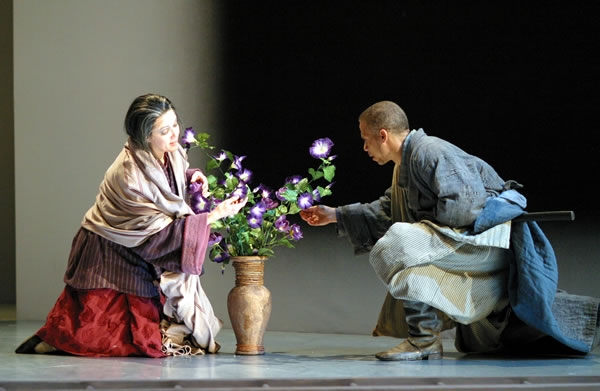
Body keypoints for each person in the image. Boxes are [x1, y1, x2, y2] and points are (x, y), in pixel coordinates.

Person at [300, 100, 600, 361]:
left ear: (383, 135)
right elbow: (389, 210)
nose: (364, 148)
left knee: (398, 241)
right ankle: (424, 340)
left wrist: (422, 227)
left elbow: (465, 207)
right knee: (406, 270)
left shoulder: (429, 151)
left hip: (483, 242)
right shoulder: (404, 165)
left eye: (366, 140)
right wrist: (335, 215)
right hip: (453, 241)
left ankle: (429, 335)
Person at [15, 93, 247, 357]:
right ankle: (55, 341)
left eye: (174, 124)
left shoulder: (170, 152)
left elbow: (163, 184)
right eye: (164, 130)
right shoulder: (128, 175)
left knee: (138, 328)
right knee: (104, 329)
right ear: (145, 136)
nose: (174, 134)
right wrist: (214, 215)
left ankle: (56, 340)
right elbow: (155, 233)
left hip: (134, 243)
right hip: (108, 246)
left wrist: (192, 176)